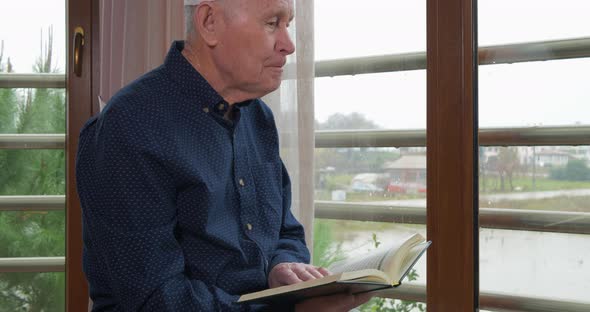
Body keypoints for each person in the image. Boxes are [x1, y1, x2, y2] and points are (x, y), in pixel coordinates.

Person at [76, 0, 371, 310]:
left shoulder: (259, 118)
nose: (289, 45)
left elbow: (286, 229)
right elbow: (156, 298)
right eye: (272, 23)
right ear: (209, 23)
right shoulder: (130, 126)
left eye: (288, 25)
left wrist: (281, 265)